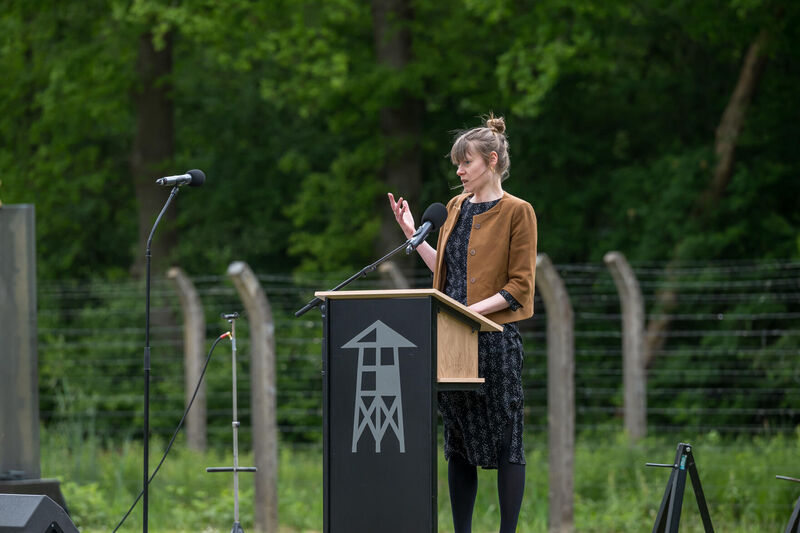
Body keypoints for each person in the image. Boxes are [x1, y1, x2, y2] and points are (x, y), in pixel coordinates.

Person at [388, 114, 537, 533]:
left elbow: (519, 286)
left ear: (491, 161)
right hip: (453, 341)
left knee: (507, 441)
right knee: (458, 442)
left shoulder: (518, 212)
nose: (459, 171)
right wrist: (414, 233)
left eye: (466, 162)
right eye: (457, 164)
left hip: (495, 342)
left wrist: (471, 312)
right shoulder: (454, 208)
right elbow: (446, 272)